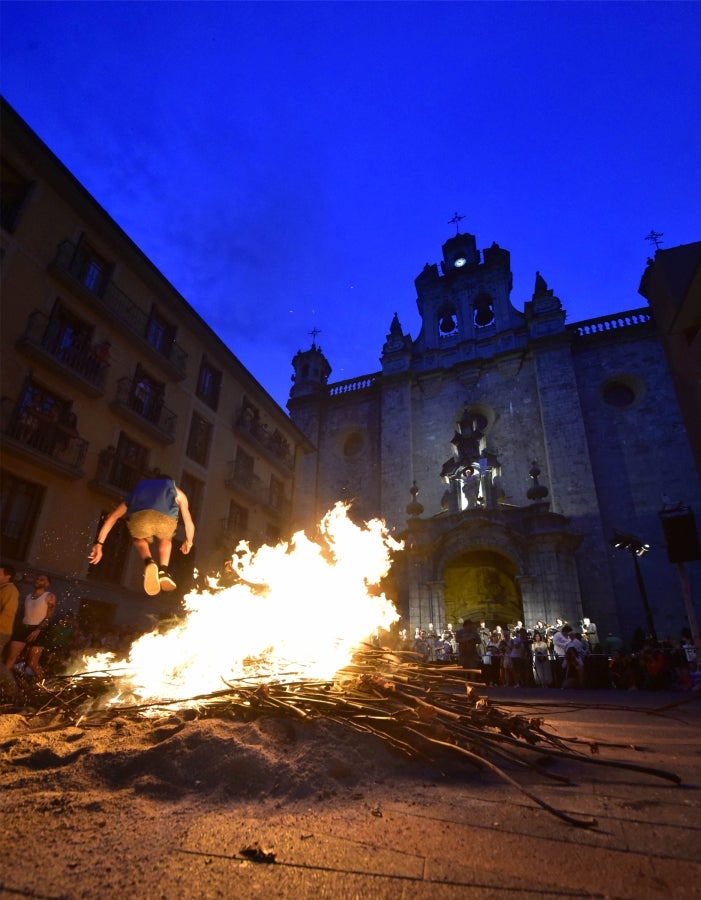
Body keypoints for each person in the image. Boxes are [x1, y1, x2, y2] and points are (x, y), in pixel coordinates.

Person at [88, 475, 195, 596]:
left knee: (139, 538)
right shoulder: (177, 491)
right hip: (165, 520)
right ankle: (163, 571)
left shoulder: (139, 491)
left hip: (140, 519)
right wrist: (189, 541)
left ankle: (149, 562)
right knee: (166, 538)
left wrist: (99, 544)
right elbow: (188, 522)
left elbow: (113, 517)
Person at [3, 573, 57, 682]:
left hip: (38, 629)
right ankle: (3, 683)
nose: (38, 580)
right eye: (37, 578)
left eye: (41, 579)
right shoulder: (28, 596)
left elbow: (49, 615)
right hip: (23, 627)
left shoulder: (49, 596)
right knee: (11, 658)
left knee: (32, 663)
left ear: (47, 584)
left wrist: (38, 629)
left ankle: (44, 683)